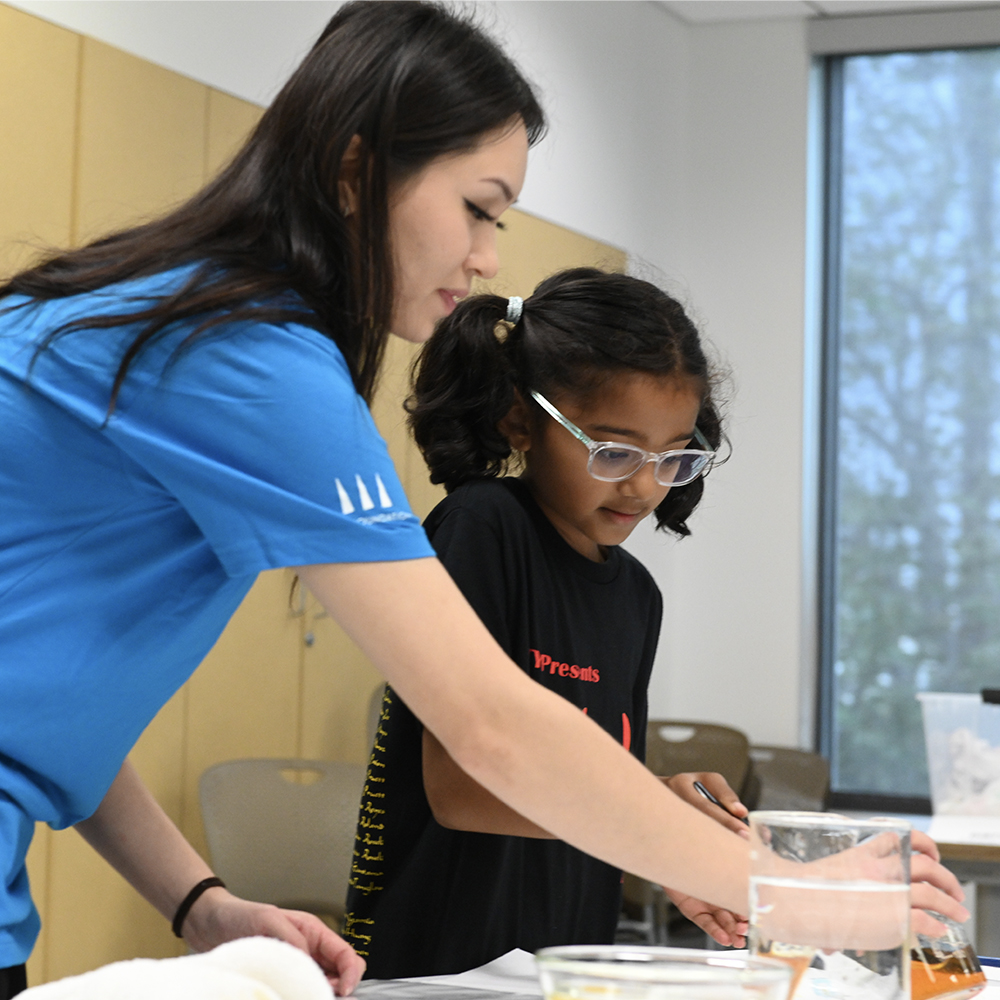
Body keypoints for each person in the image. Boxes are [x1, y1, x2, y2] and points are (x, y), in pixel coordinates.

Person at [0, 2, 967, 997]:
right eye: (477, 207)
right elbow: (489, 730)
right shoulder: (249, 355)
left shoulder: (167, 308)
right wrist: (788, 891)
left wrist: (200, 900)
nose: (488, 257)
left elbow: (47, 705)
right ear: (354, 172)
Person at [343, 268, 751, 977]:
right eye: (615, 451)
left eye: (672, 457)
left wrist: (664, 816)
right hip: (438, 965)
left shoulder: (635, 596)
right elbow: (461, 789)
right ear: (520, 419)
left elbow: (594, 778)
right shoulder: (482, 529)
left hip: (564, 962)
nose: (643, 485)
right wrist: (656, 822)